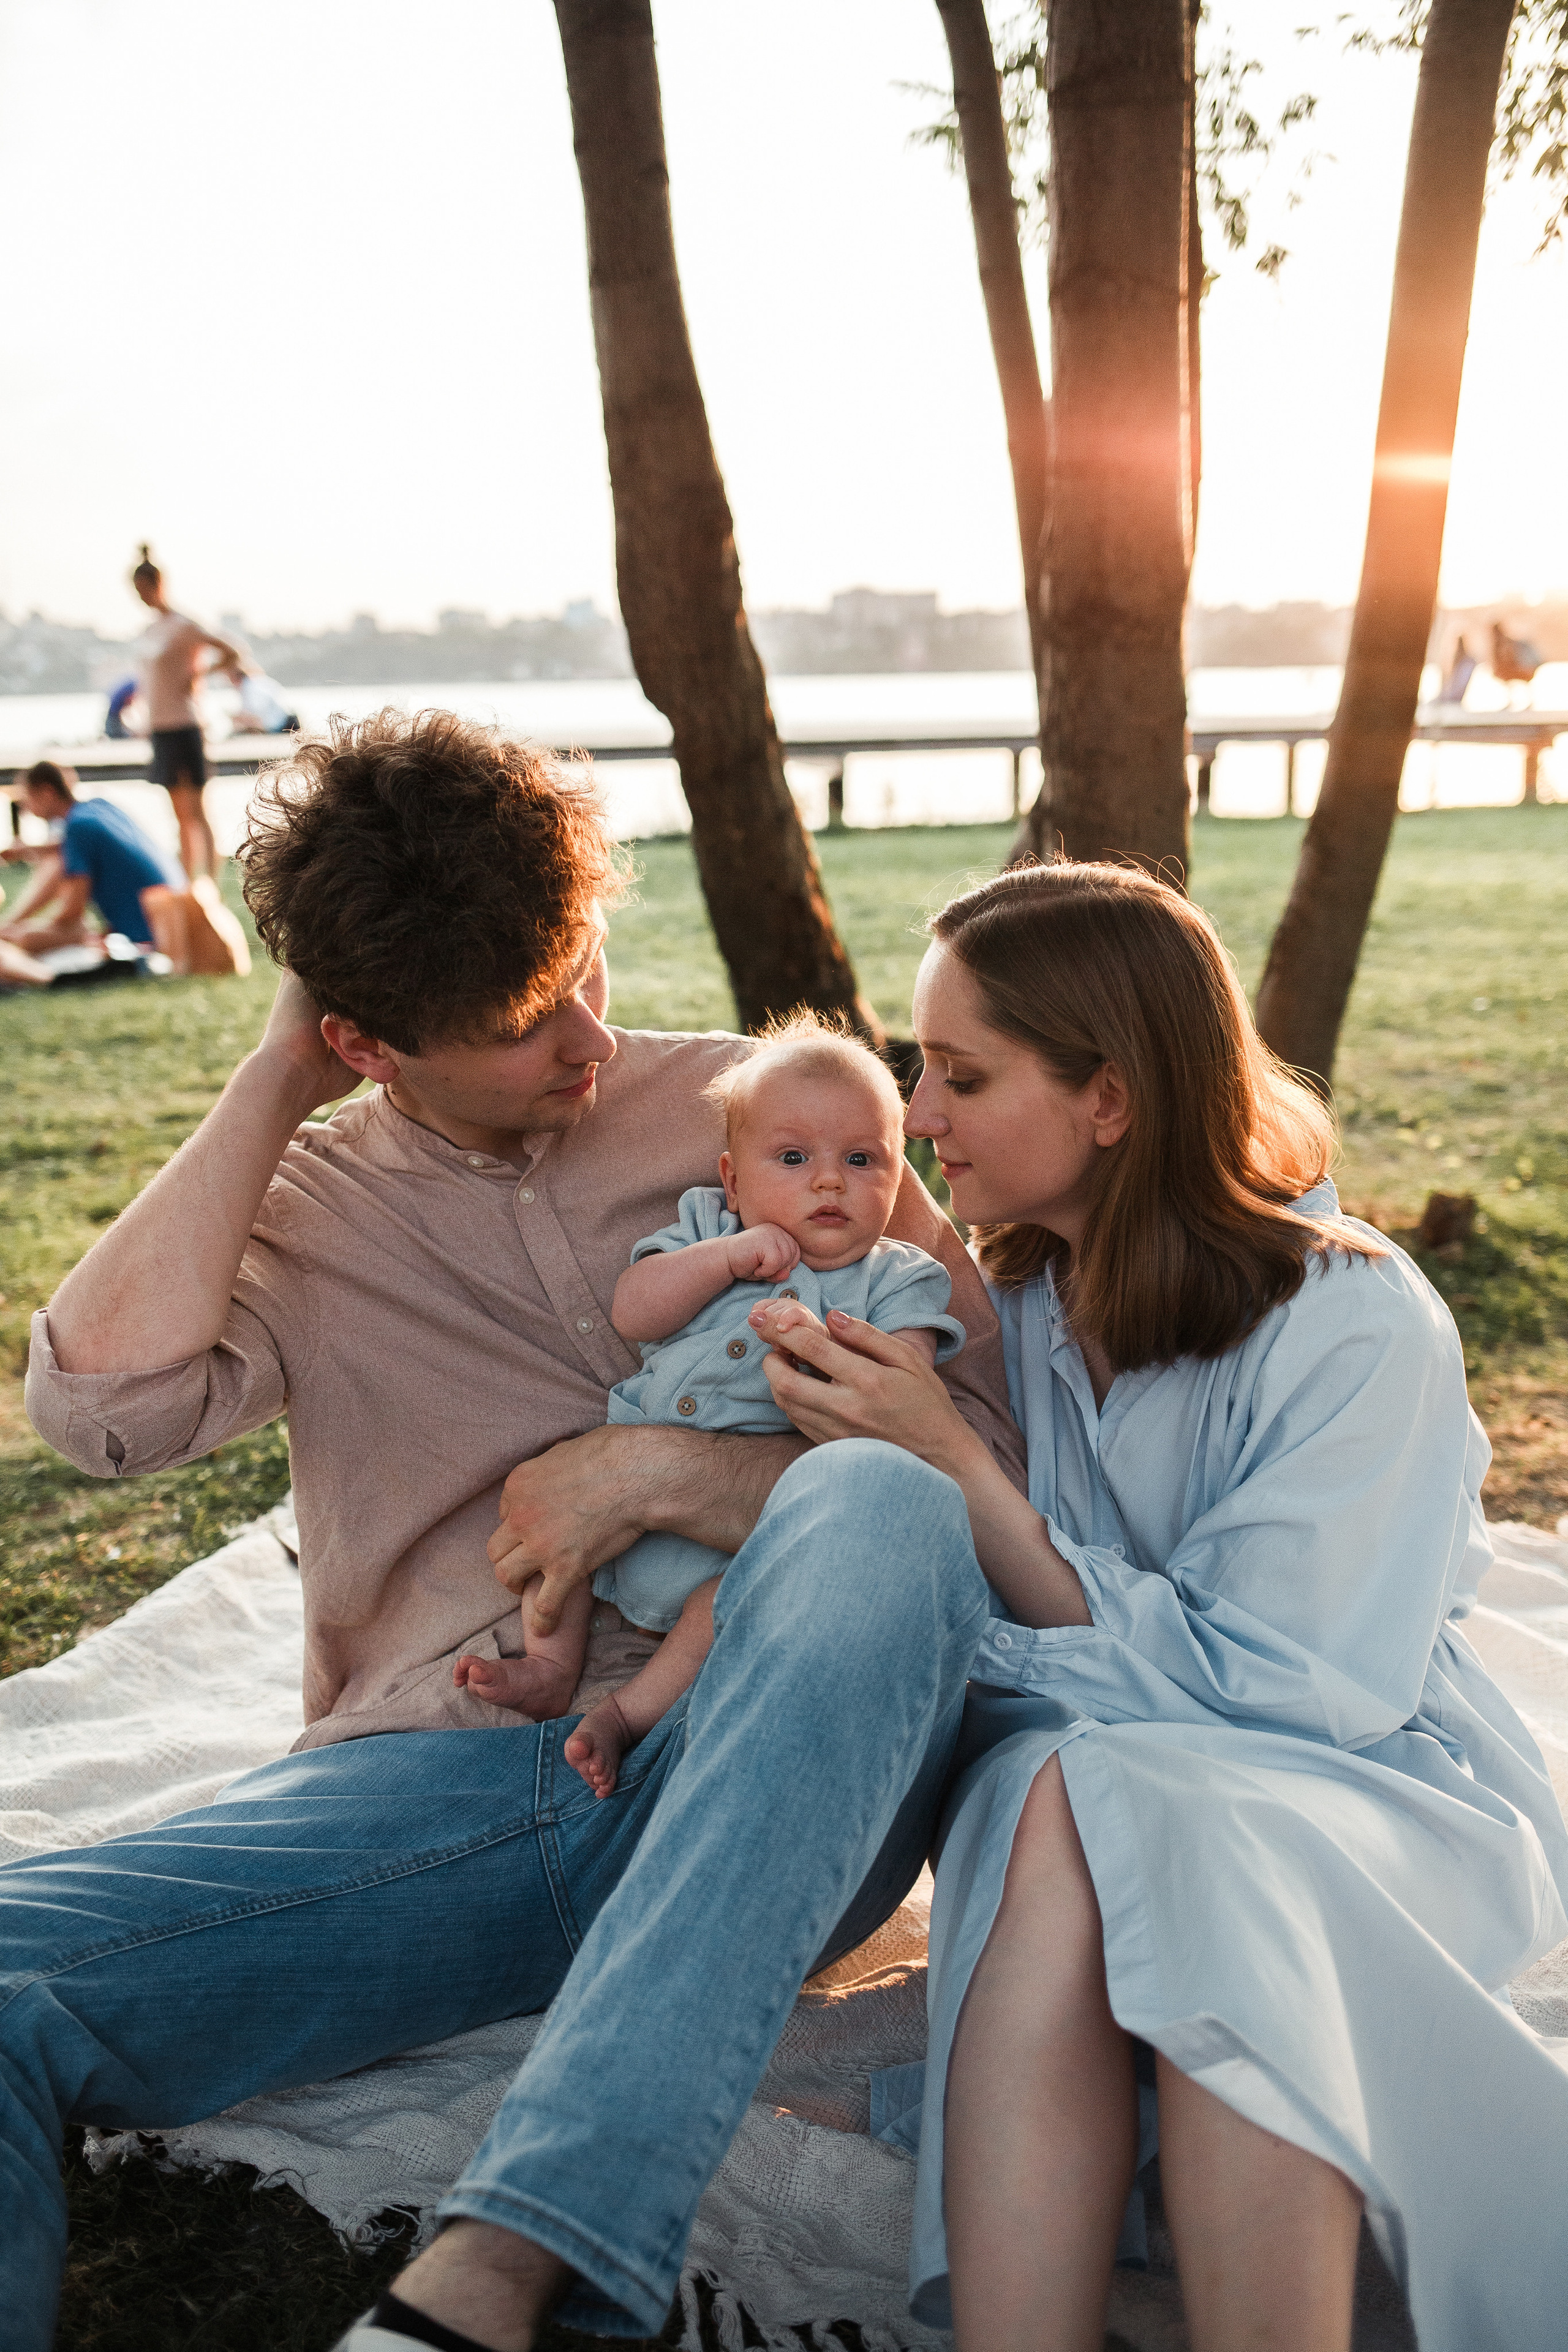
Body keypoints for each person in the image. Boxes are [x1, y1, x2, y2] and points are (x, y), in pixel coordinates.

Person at [4, 707, 1018, 2352]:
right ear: (365, 1040)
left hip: (797, 1733)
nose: (587, 1037)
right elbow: (100, 1411)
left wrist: (664, 1475)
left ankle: (507, 2257)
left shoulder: (773, 1118)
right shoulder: (305, 1206)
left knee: (888, 1504)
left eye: (582, 968)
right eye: (518, 1021)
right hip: (459, 1780)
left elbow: (977, 1461)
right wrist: (274, 1078)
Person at [748, 861, 1568, 2352]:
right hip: (1078, 1783)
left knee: (1145, 1818)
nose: (915, 1116)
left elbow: (1298, 1686)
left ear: (1109, 1097)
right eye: (918, 1068)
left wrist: (958, 1477)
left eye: (960, 1074)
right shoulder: (999, 1308)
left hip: (1351, 1782)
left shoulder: (1349, 1320)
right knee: (1067, 1784)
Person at [456, 1014, 966, 1800]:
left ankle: (624, 1715)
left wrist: (820, 1346)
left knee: (716, 1611)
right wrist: (722, 1259)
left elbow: (901, 1400)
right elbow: (635, 1311)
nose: (829, 1182)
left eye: (861, 1160)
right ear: (733, 1181)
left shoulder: (899, 1279)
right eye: (793, 1158)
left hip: (732, 1539)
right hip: (614, 1489)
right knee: (555, 1531)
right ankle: (551, 1668)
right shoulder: (706, 1227)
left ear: (900, 1178)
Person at [0, 761, 187, 976]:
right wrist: (28, 850)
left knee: (29, 939)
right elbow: (68, 845)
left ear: (47, 792)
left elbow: (72, 912)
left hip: (148, 935)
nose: (26, 809)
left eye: (27, 800)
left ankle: (8, 928)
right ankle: (10, 925)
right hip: (175, 917)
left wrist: (28, 930)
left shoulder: (77, 828)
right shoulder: (97, 808)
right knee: (56, 871)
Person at [129, 544, 249, 879]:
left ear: (158, 584)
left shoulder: (184, 625)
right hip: (160, 728)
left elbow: (233, 652)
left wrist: (199, 675)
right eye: (136, 591)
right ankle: (185, 881)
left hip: (185, 725)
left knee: (197, 809)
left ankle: (209, 880)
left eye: (144, 589)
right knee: (178, 815)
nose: (141, 597)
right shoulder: (150, 630)